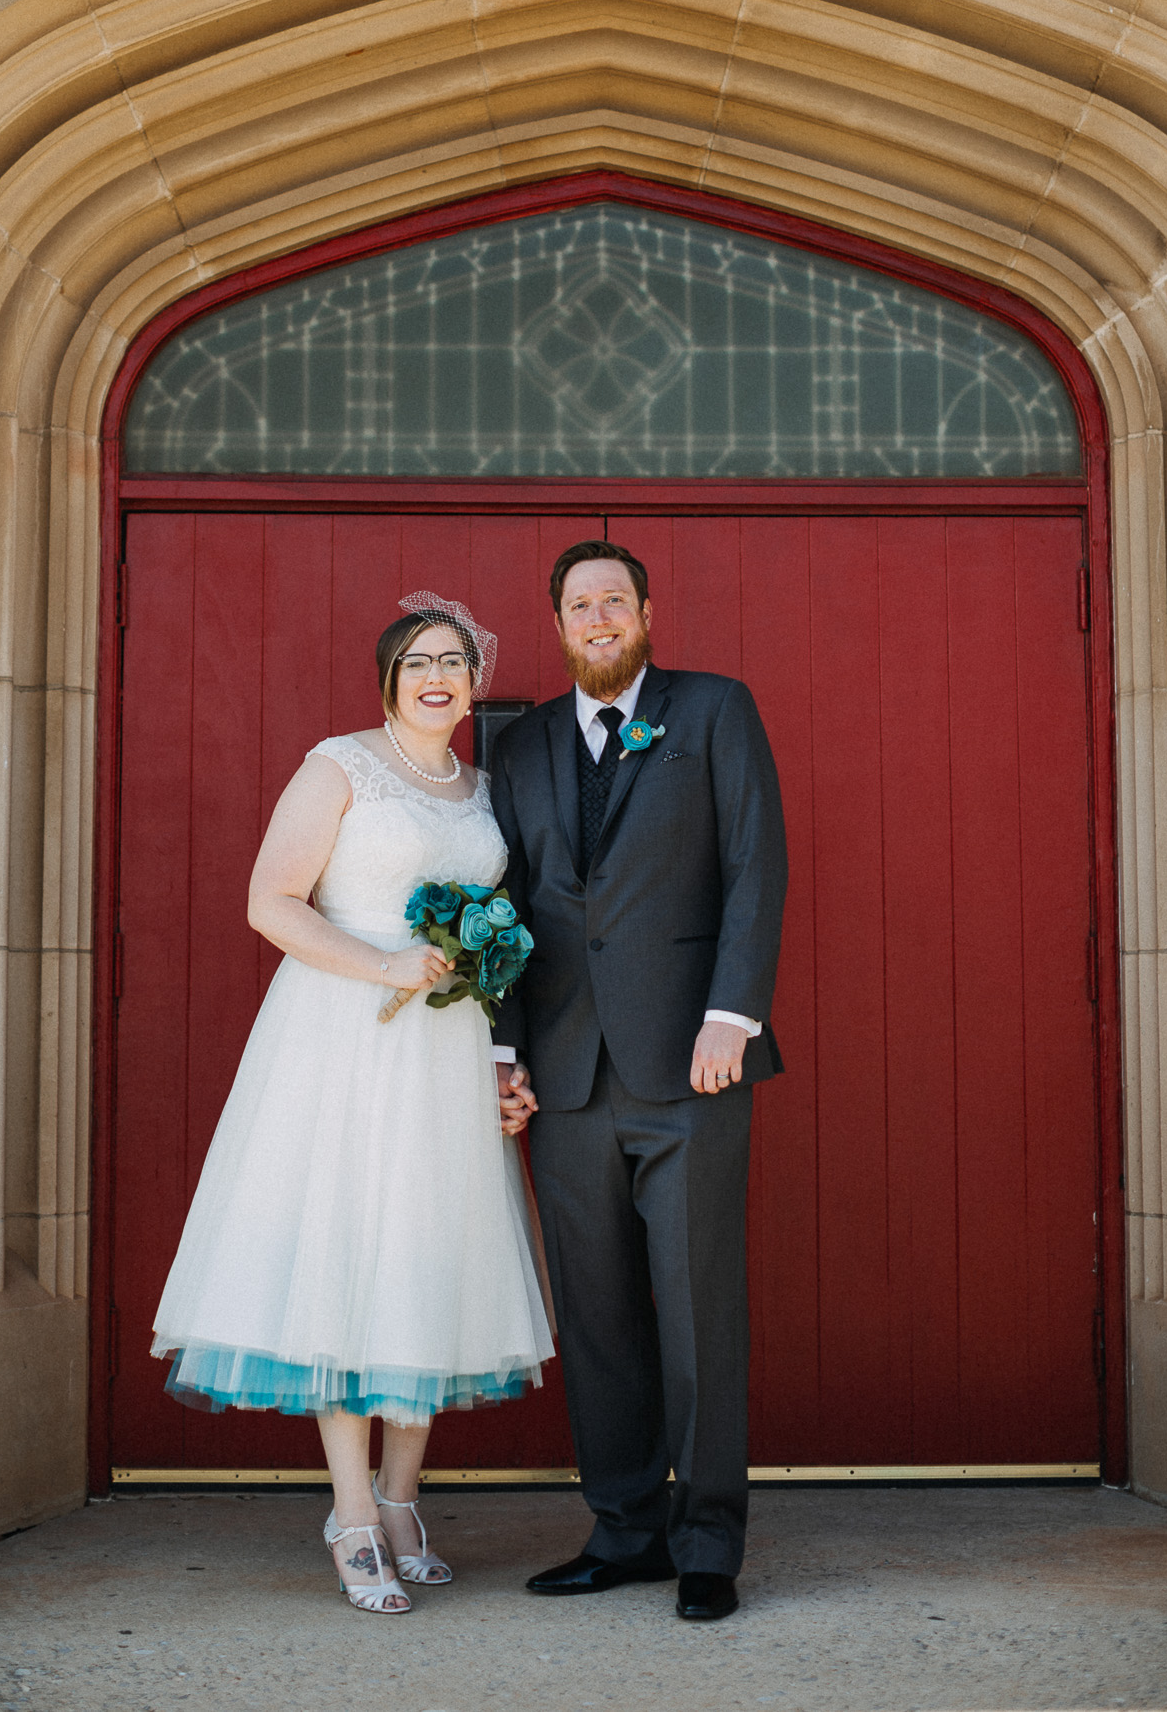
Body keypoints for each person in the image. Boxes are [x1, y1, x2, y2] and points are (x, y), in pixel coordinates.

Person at [151, 593, 554, 1616]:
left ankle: (406, 1496)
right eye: (419, 660)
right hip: (340, 1037)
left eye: (454, 663)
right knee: (348, 1256)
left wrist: (503, 1055)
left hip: (448, 1045)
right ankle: (353, 1515)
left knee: (431, 1253)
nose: (437, 677)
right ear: (388, 677)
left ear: (475, 683)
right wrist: (384, 965)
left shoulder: (483, 789)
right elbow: (271, 901)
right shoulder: (339, 764)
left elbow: (499, 942)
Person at [489, 541, 787, 1623]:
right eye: (580, 603)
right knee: (601, 1316)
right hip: (565, 1080)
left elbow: (758, 860)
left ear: (648, 612)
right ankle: (626, 1533)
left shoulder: (713, 710)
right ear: (560, 624)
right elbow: (506, 907)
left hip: (690, 1067)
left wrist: (732, 1015)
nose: (600, 616)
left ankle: (710, 1544)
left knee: (700, 1310)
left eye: (617, 598)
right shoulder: (519, 747)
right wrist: (502, 1052)